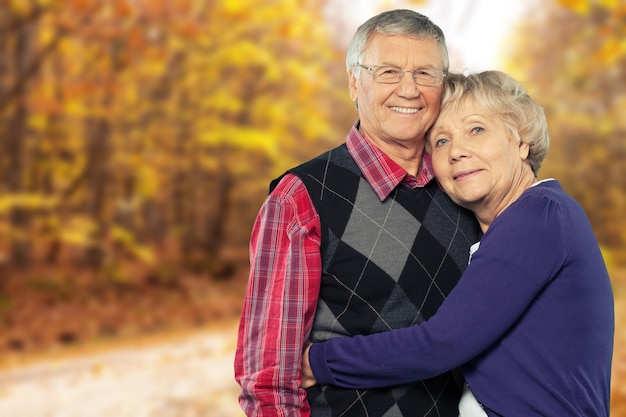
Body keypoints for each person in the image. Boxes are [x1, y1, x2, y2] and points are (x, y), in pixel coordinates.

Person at [301, 71, 615, 417]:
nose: (457, 152)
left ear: (521, 140)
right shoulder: (523, 222)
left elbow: (439, 344)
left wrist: (319, 361)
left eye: (476, 130)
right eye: (440, 141)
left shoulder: (538, 216)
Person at [234, 9, 482, 417]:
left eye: (425, 74)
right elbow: (269, 379)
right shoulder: (301, 199)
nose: (409, 90)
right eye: (388, 72)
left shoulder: (465, 187)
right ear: (354, 82)